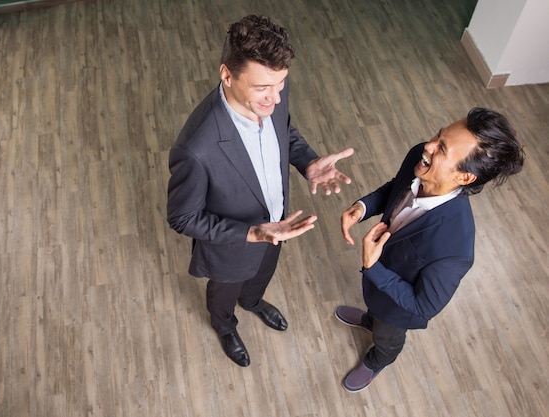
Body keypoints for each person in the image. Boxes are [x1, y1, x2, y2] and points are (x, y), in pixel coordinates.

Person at [167, 15, 354, 367]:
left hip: (278, 225)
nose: (275, 97)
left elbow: (283, 132)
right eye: (263, 88)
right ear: (227, 75)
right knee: (223, 296)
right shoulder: (196, 148)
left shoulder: (272, 94)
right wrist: (251, 233)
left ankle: (252, 301)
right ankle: (225, 326)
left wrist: (308, 163)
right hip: (232, 247)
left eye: (280, 84)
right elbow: (182, 217)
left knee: (260, 277)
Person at [335, 107, 525, 392]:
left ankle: (378, 360)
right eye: (439, 135)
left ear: (465, 177)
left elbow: (424, 306)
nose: (429, 145)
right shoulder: (418, 159)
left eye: (442, 148)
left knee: (387, 338)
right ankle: (368, 319)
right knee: (375, 312)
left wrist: (374, 268)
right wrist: (362, 208)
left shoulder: (455, 246)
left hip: (398, 309)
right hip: (377, 286)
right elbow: (394, 189)